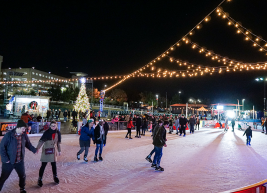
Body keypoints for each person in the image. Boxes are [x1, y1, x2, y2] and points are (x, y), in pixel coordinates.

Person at [0, 120, 37, 193]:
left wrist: (34, 150)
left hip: (19, 161)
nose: (24, 130)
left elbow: (28, 144)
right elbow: (1, 147)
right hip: (9, 162)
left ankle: (22, 188)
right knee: (3, 177)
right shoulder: (9, 135)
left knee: (22, 176)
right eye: (23, 129)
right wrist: (5, 159)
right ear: (19, 128)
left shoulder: (23, 135)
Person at [36, 120, 61, 187]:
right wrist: (37, 148)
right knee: (43, 165)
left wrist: (59, 150)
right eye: (52, 126)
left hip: (53, 150)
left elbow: (58, 143)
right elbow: (41, 141)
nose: (53, 127)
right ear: (50, 126)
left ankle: (55, 177)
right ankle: (40, 179)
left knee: (54, 165)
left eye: (54, 126)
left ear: (56, 126)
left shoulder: (58, 133)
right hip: (46, 150)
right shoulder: (46, 132)